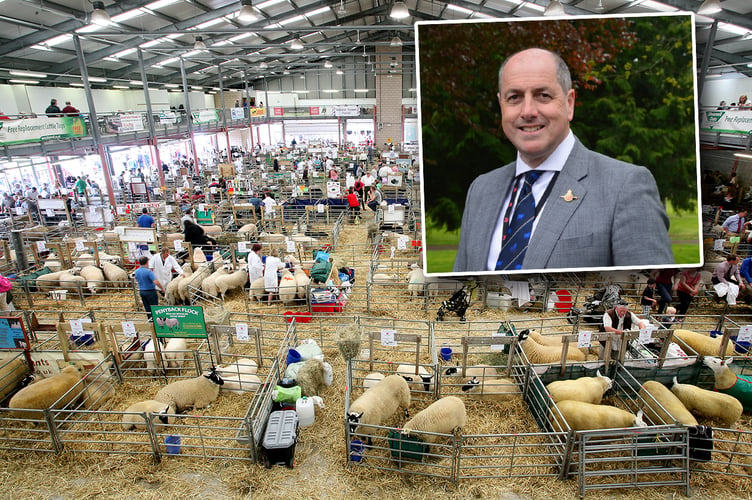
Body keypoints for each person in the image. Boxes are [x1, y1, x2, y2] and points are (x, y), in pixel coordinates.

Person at [453, 48, 673, 272]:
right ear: (501, 105)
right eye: (514, 98)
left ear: (570, 103)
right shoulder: (481, 190)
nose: (527, 111)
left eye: (543, 96)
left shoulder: (626, 187)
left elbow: (647, 295)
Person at [134, 255, 165, 320]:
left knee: (147, 306)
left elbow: (136, 279)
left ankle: (150, 319)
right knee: (154, 307)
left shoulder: (137, 271)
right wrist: (162, 288)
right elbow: (155, 281)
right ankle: (156, 320)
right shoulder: (148, 272)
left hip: (142, 291)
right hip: (150, 291)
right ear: (147, 262)